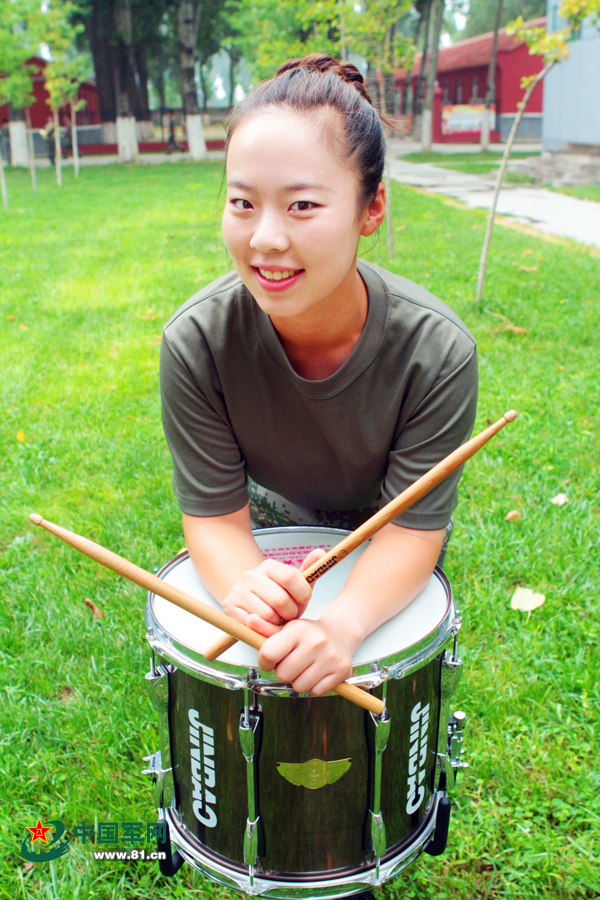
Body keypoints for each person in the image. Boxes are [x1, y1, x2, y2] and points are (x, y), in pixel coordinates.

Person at [159, 54, 478, 699]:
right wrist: (246, 584)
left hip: (387, 536)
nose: (266, 239)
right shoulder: (196, 342)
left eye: (302, 204)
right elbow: (216, 518)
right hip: (272, 524)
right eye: (242, 203)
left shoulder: (437, 352)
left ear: (372, 208)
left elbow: (412, 527)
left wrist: (343, 625)